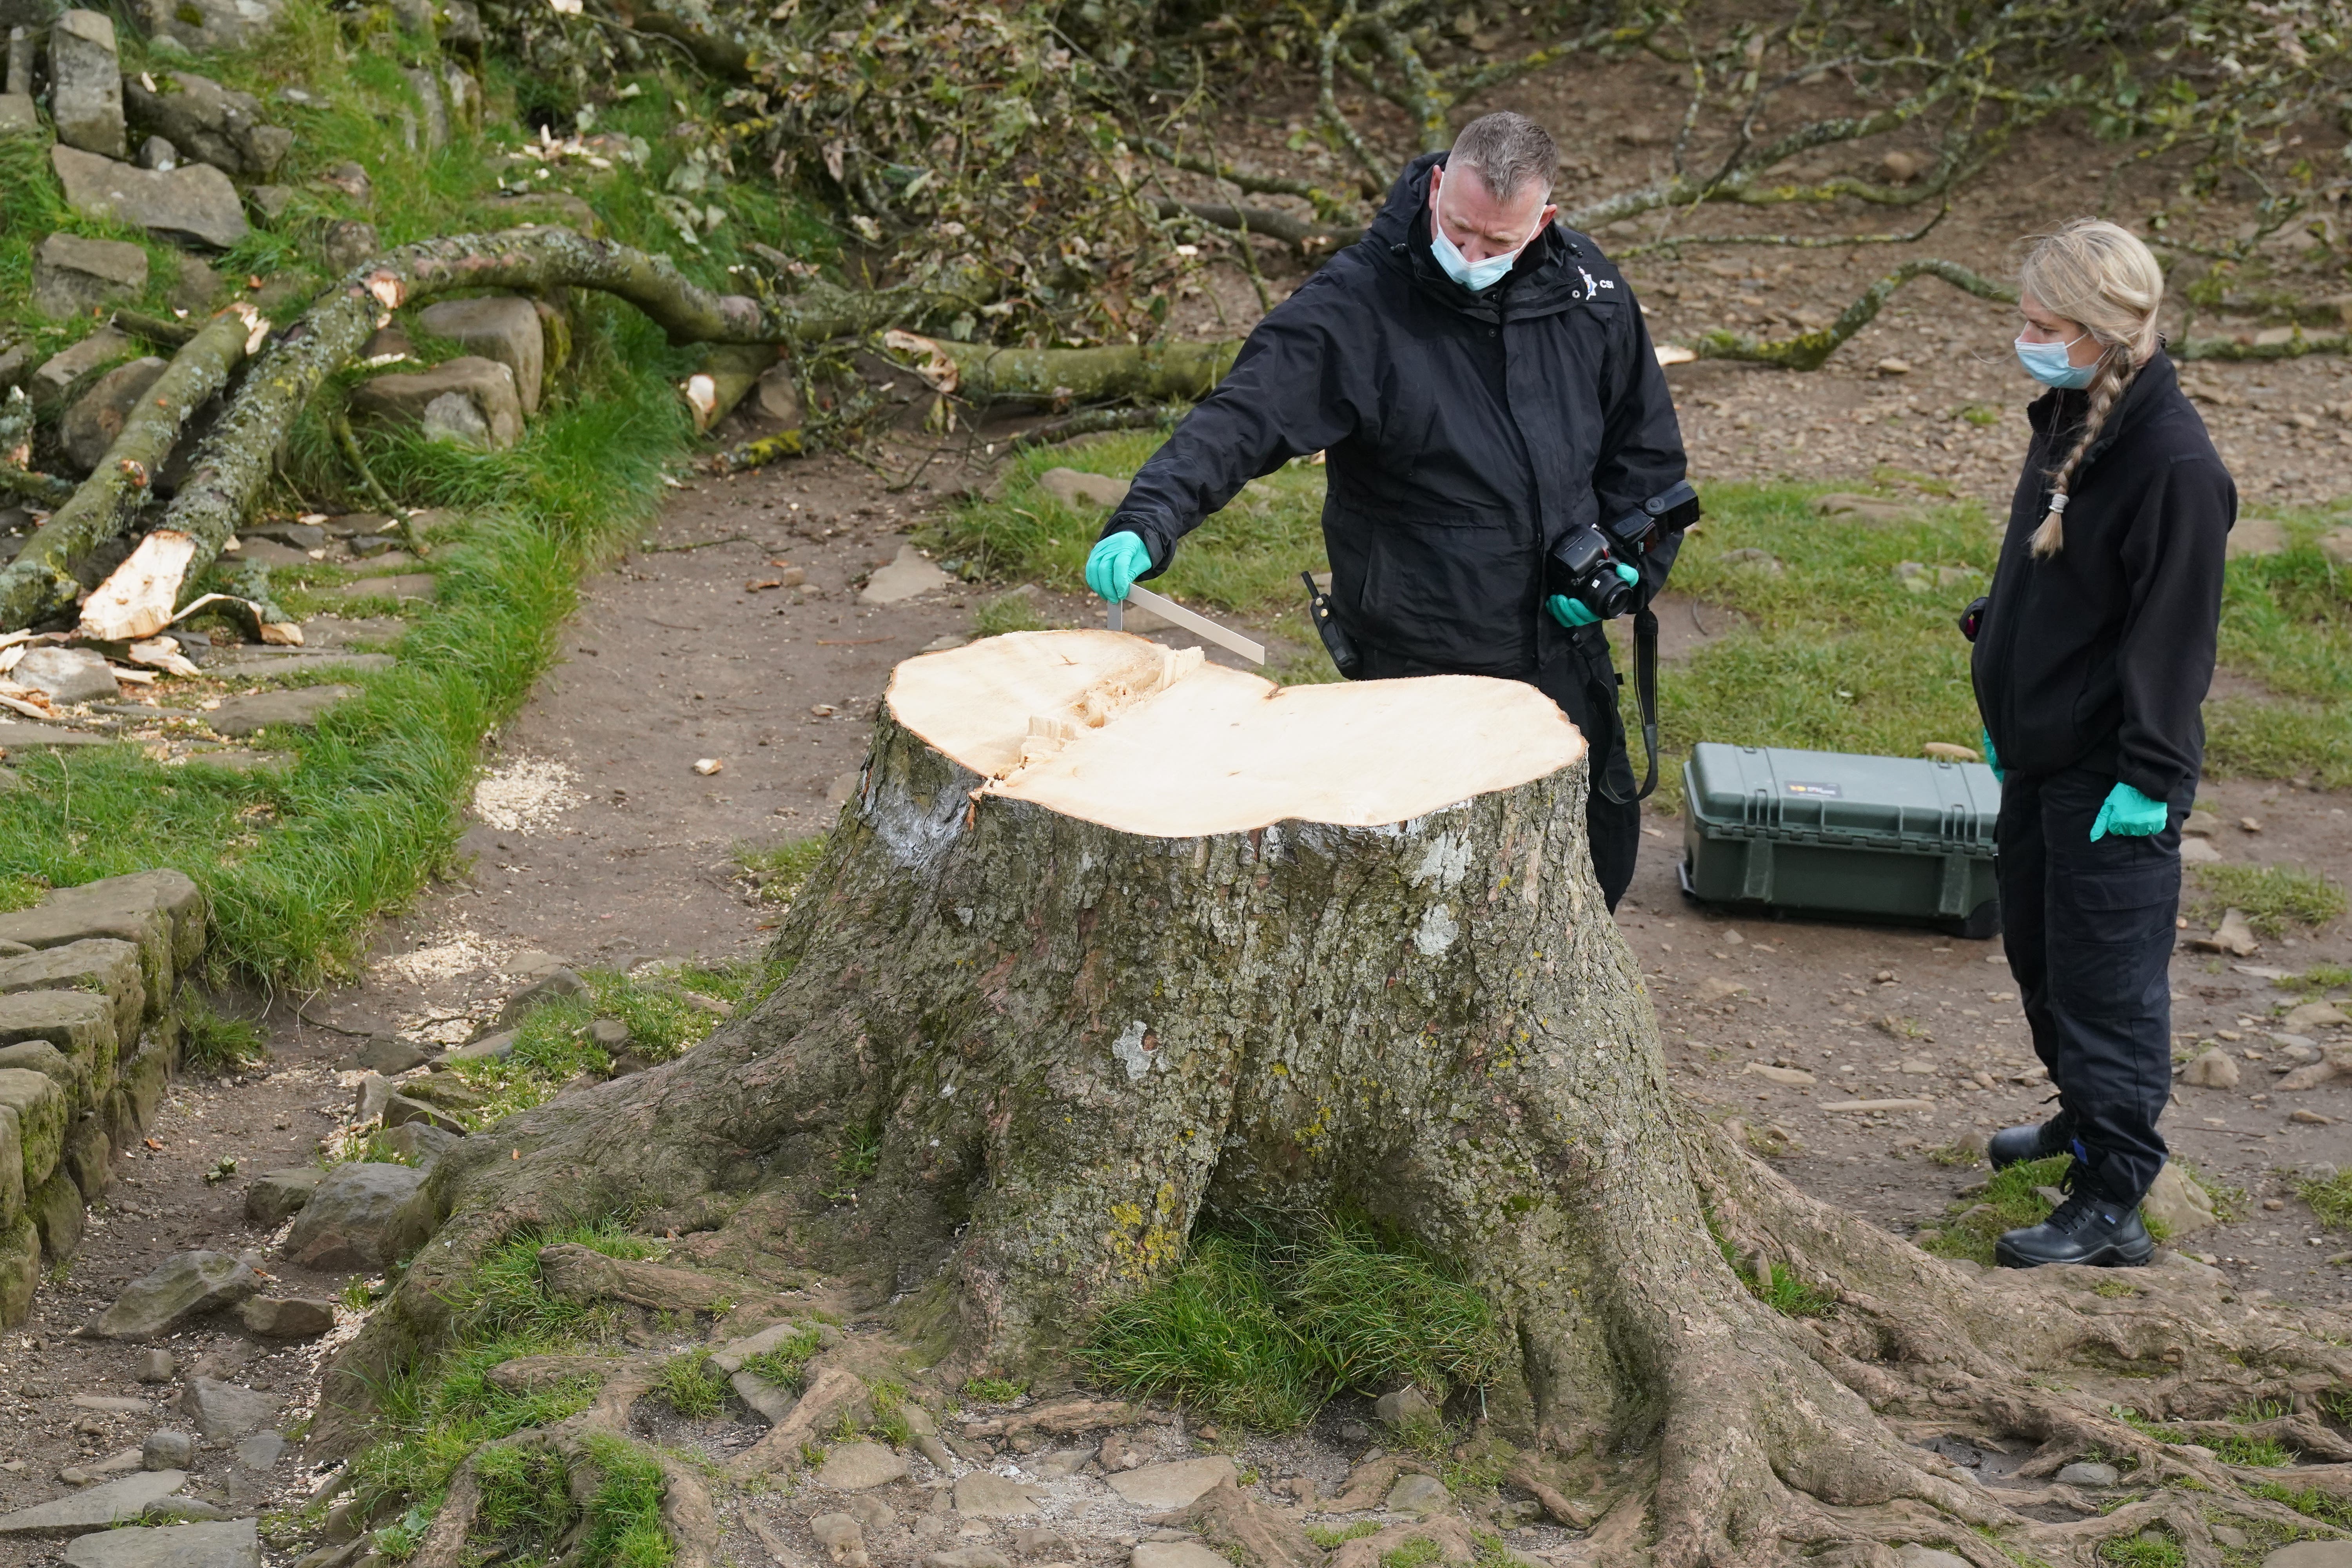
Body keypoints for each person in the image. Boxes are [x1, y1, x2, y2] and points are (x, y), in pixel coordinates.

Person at [1080, 111, 1694, 910]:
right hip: (1416, 659)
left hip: (1561, 651)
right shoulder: (1357, 306)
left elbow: (1647, 460)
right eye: (1459, 229)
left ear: (1543, 222)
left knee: (1585, 871)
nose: (1471, 257)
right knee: (1414, 897)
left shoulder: (1590, 295)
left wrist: (1623, 562)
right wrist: (1148, 517)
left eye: (1497, 243)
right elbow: (1242, 418)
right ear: (1437, 188)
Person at [1968, 218, 2236, 1269]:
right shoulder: (2074, 416)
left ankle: (2114, 1193)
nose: (2025, 339)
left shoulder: (2174, 467)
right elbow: (2047, 578)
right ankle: (2083, 1118)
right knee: (2039, 952)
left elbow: (2175, 641)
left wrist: (2150, 781)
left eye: (2044, 325)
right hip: (2039, 748)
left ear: (2102, 330)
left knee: (2105, 983)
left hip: (2110, 775)